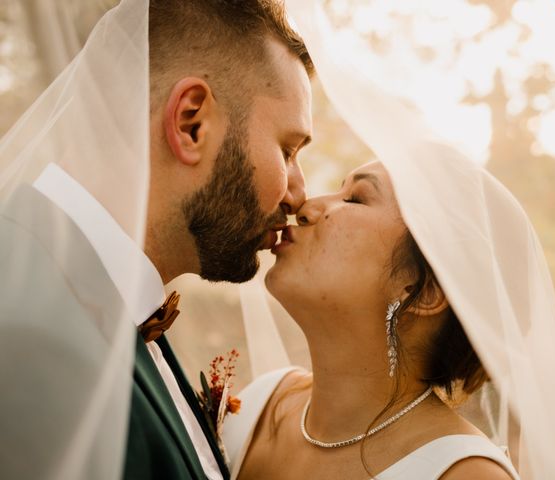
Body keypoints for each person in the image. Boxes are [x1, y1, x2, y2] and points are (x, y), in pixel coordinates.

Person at [0, 1, 312, 479]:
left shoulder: (105, 302)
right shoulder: (33, 330)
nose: (298, 193)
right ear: (191, 124)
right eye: (287, 149)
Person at [223, 161, 519, 480]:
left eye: (355, 199)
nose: (306, 207)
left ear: (423, 291)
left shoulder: (467, 475)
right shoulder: (260, 405)